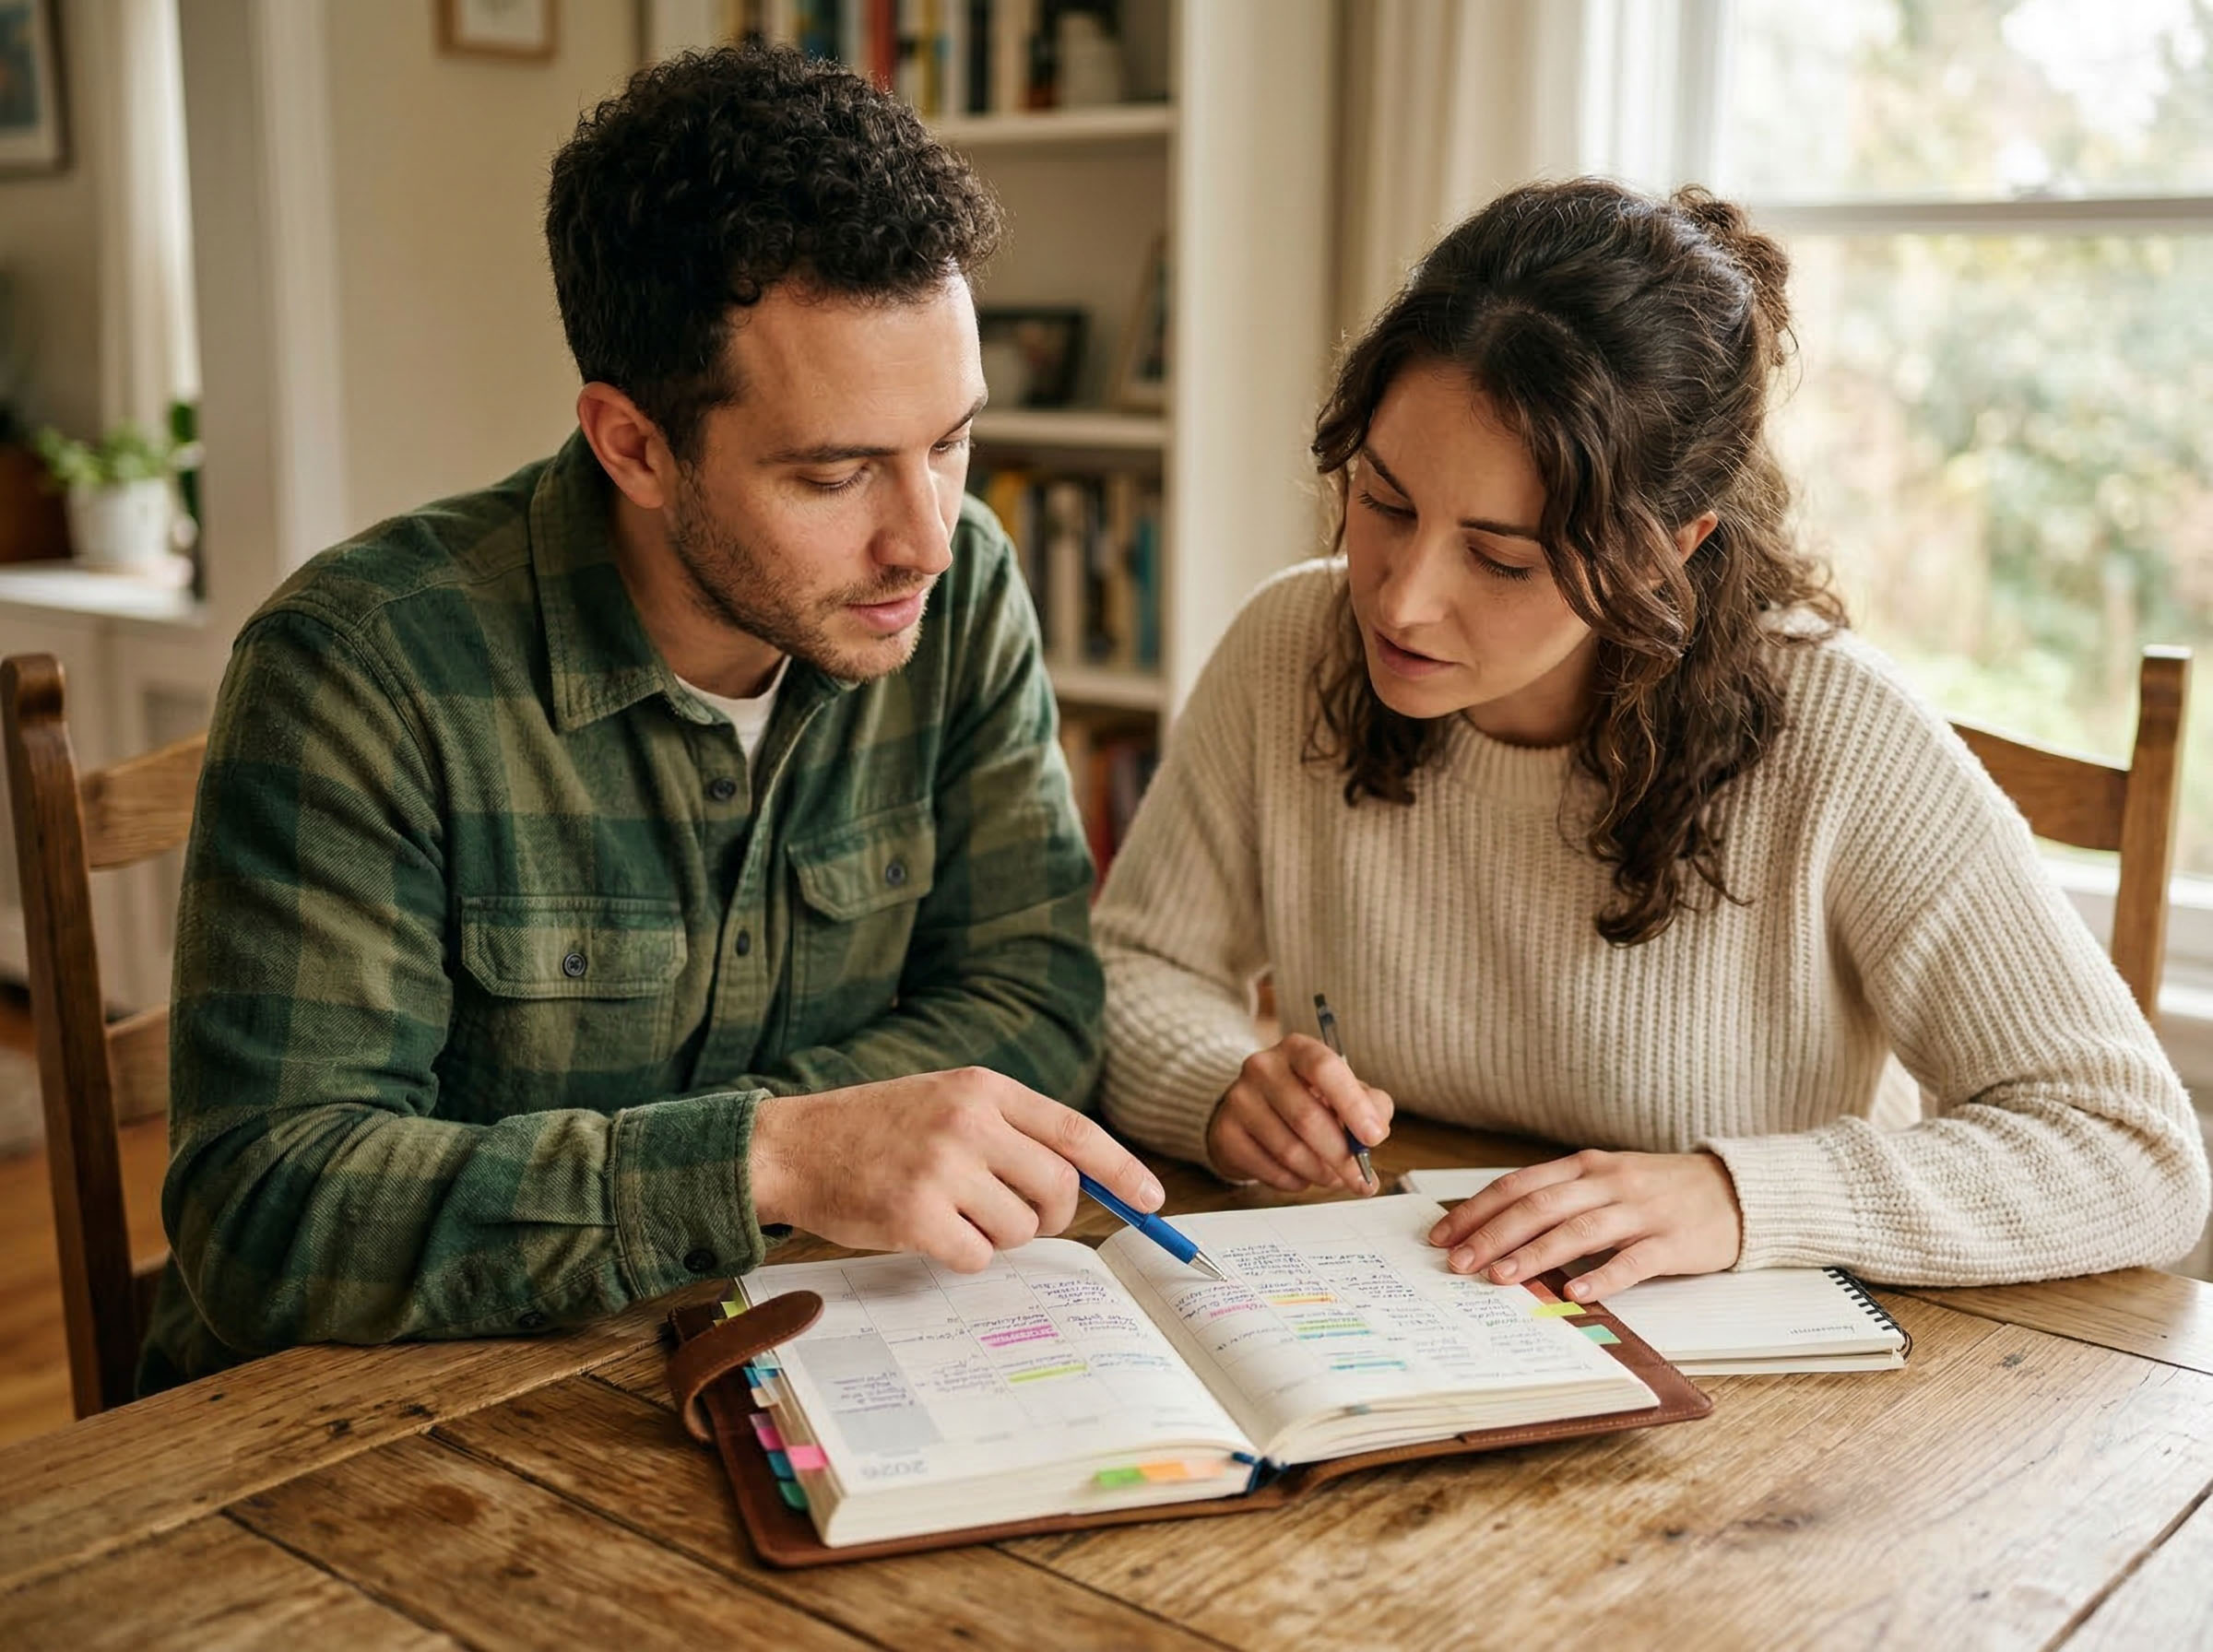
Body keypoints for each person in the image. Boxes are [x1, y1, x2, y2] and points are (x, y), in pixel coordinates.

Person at [139, 46, 1162, 1392]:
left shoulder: (962, 590)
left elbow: (1036, 1000)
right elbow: (270, 1213)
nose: (925, 537)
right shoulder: (363, 668)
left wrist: (718, 1165)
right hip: (387, 1427)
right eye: (838, 472)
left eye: (952, 439)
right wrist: (776, 1155)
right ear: (632, 444)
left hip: (797, 1349)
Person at [1095, 177, 2210, 1302]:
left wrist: (1737, 1197)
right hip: (1414, 1308)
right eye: (1385, 502)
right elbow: (1138, 966)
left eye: (1501, 558)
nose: (1400, 601)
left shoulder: (1838, 732)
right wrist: (1222, 1082)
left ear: (1664, 549)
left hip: (1780, 1406)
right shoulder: (1294, 643)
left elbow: (2133, 1151)